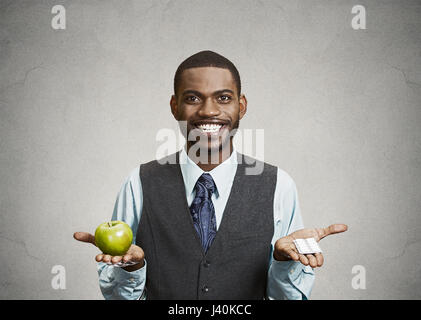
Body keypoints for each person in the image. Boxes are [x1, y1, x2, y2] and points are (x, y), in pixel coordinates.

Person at [74, 50, 348, 300]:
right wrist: (131, 268)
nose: (208, 110)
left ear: (241, 106)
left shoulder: (279, 186)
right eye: (193, 98)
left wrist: (283, 261)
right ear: (174, 106)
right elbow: (118, 298)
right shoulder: (139, 182)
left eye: (223, 98)